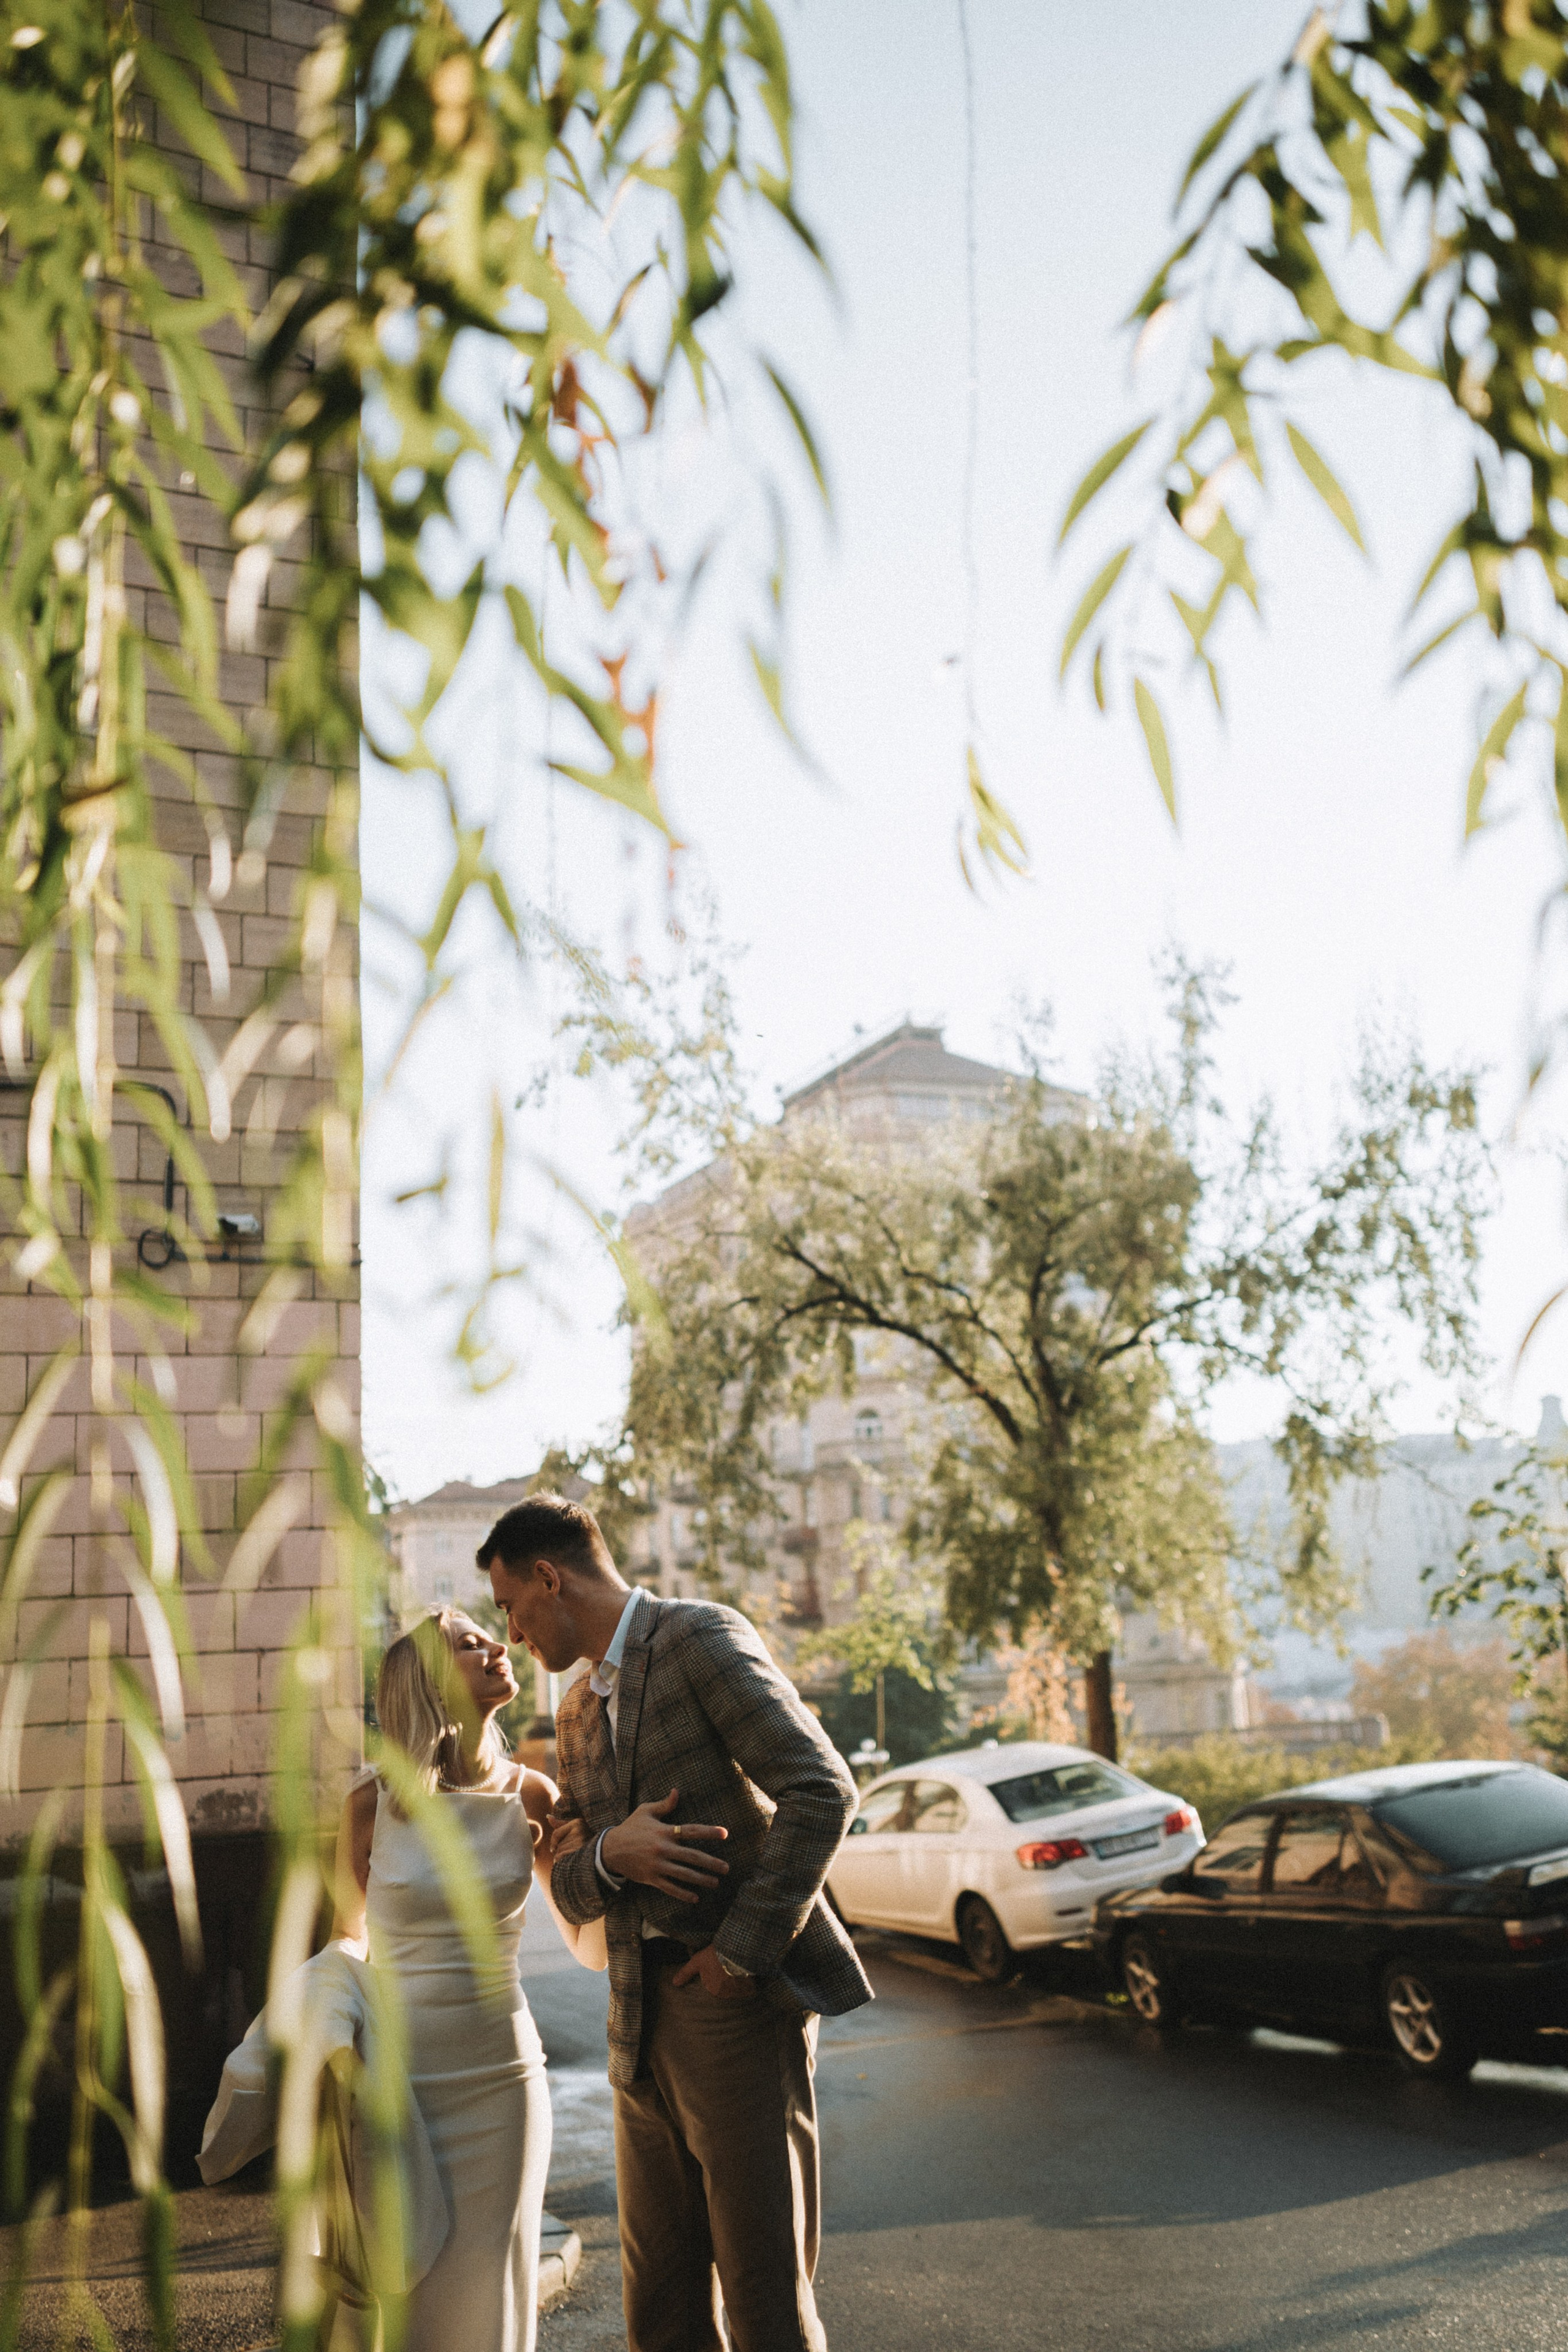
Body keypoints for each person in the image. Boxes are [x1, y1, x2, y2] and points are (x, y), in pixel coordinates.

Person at [478, 1492, 872, 2352]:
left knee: (763, 2294)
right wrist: (614, 1852)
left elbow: (822, 1790)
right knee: (657, 2299)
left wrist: (739, 1956)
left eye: (510, 1607)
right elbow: (575, 1888)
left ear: (550, 1576)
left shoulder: (698, 1636)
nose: (511, 1635)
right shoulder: (577, 1712)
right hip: (634, 2015)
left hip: (730, 2008)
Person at [200, 1608, 605, 2352]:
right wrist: (330, 2051)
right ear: (422, 1681)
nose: (496, 1647)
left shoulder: (535, 1797)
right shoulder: (370, 1803)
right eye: (468, 1644)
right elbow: (345, 1942)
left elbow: (589, 1946)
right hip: (398, 2083)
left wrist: (613, 1859)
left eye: (492, 1635)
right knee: (401, 2299)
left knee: (489, 2290)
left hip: (503, 2084)